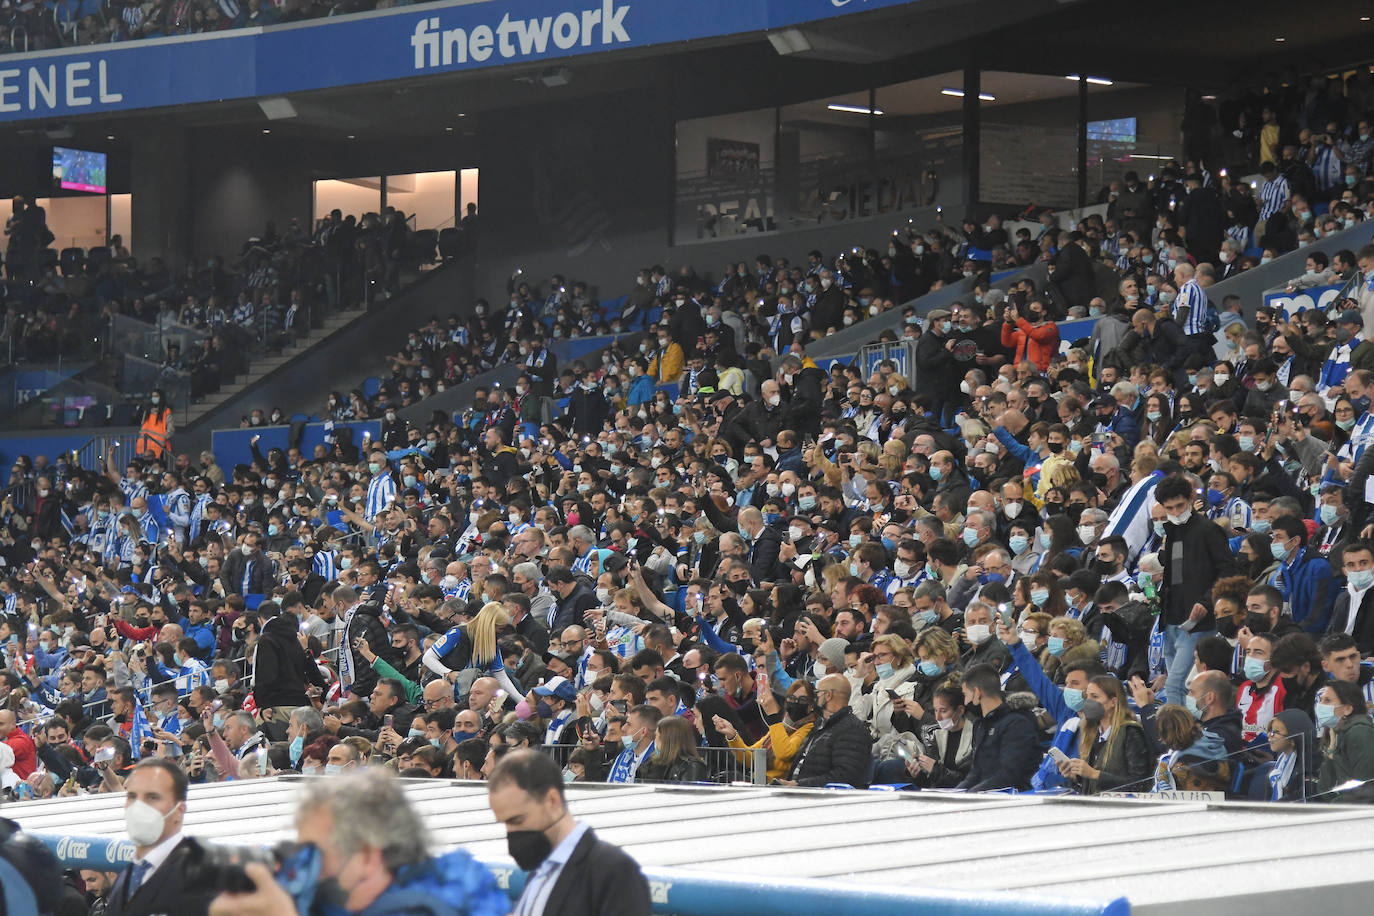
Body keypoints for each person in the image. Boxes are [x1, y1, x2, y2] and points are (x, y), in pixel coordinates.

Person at [208, 769, 507, 916]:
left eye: (315, 851)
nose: (303, 862)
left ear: (367, 856)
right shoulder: (333, 900)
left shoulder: (444, 900)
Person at [487, 749, 651, 916]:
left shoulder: (612, 870)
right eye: (505, 822)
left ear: (552, 801)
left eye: (517, 820)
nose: (511, 833)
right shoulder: (541, 869)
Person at [107, 758, 216, 916]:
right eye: (132, 796)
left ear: (179, 810)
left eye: (152, 797)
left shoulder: (199, 880)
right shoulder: (129, 874)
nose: (139, 806)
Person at [957, 664, 1040, 792]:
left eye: (966, 694)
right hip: (986, 796)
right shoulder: (981, 724)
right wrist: (957, 793)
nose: (965, 702)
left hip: (1014, 801)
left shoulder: (1017, 724)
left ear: (977, 692)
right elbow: (976, 772)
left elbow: (1010, 775)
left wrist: (972, 794)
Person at [1314, 680, 1374, 803]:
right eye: (1321, 700)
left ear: (1347, 709)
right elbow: (1325, 790)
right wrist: (1331, 749)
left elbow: (1366, 789)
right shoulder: (1337, 735)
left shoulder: (1360, 733)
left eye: (1327, 701)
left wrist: (1335, 806)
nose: (1320, 705)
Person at [636, 716, 708, 784]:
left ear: (667, 740)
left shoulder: (692, 767)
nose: (655, 741)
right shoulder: (650, 762)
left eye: (657, 736)